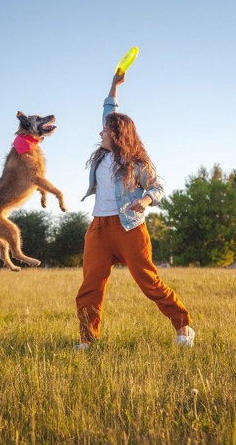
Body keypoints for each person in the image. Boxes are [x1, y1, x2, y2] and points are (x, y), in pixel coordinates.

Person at [74, 71, 195, 350]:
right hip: (99, 229)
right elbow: (109, 109)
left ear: (116, 134)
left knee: (148, 281)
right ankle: (87, 340)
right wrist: (114, 85)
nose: (100, 132)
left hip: (129, 228)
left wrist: (147, 201)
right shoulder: (102, 156)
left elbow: (157, 188)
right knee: (90, 286)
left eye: (105, 130)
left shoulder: (135, 163)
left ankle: (183, 326)